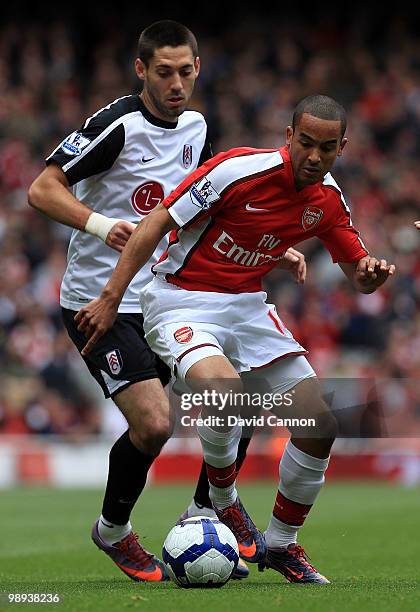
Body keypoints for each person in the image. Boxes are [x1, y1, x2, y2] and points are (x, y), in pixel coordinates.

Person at [72, 95, 396, 584]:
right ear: (288, 137)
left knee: (320, 423)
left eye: (326, 148)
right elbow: (157, 222)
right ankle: (223, 499)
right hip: (179, 299)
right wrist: (113, 296)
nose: (313, 156)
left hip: (246, 307)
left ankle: (282, 545)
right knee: (226, 394)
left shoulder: (328, 199)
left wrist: (371, 273)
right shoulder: (235, 171)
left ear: (341, 148)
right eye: (305, 143)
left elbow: (358, 273)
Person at [27, 19, 227, 583]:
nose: (176, 84)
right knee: (156, 424)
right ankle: (112, 531)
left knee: (234, 399)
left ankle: (206, 520)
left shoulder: (196, 127)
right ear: (141, 70)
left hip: (166, 297)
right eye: (164, 72)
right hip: (99, 302)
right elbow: (41, 188)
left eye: (186, 72)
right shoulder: (115, 125)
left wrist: (272, 249)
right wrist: (99, 224)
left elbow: (203, 205)